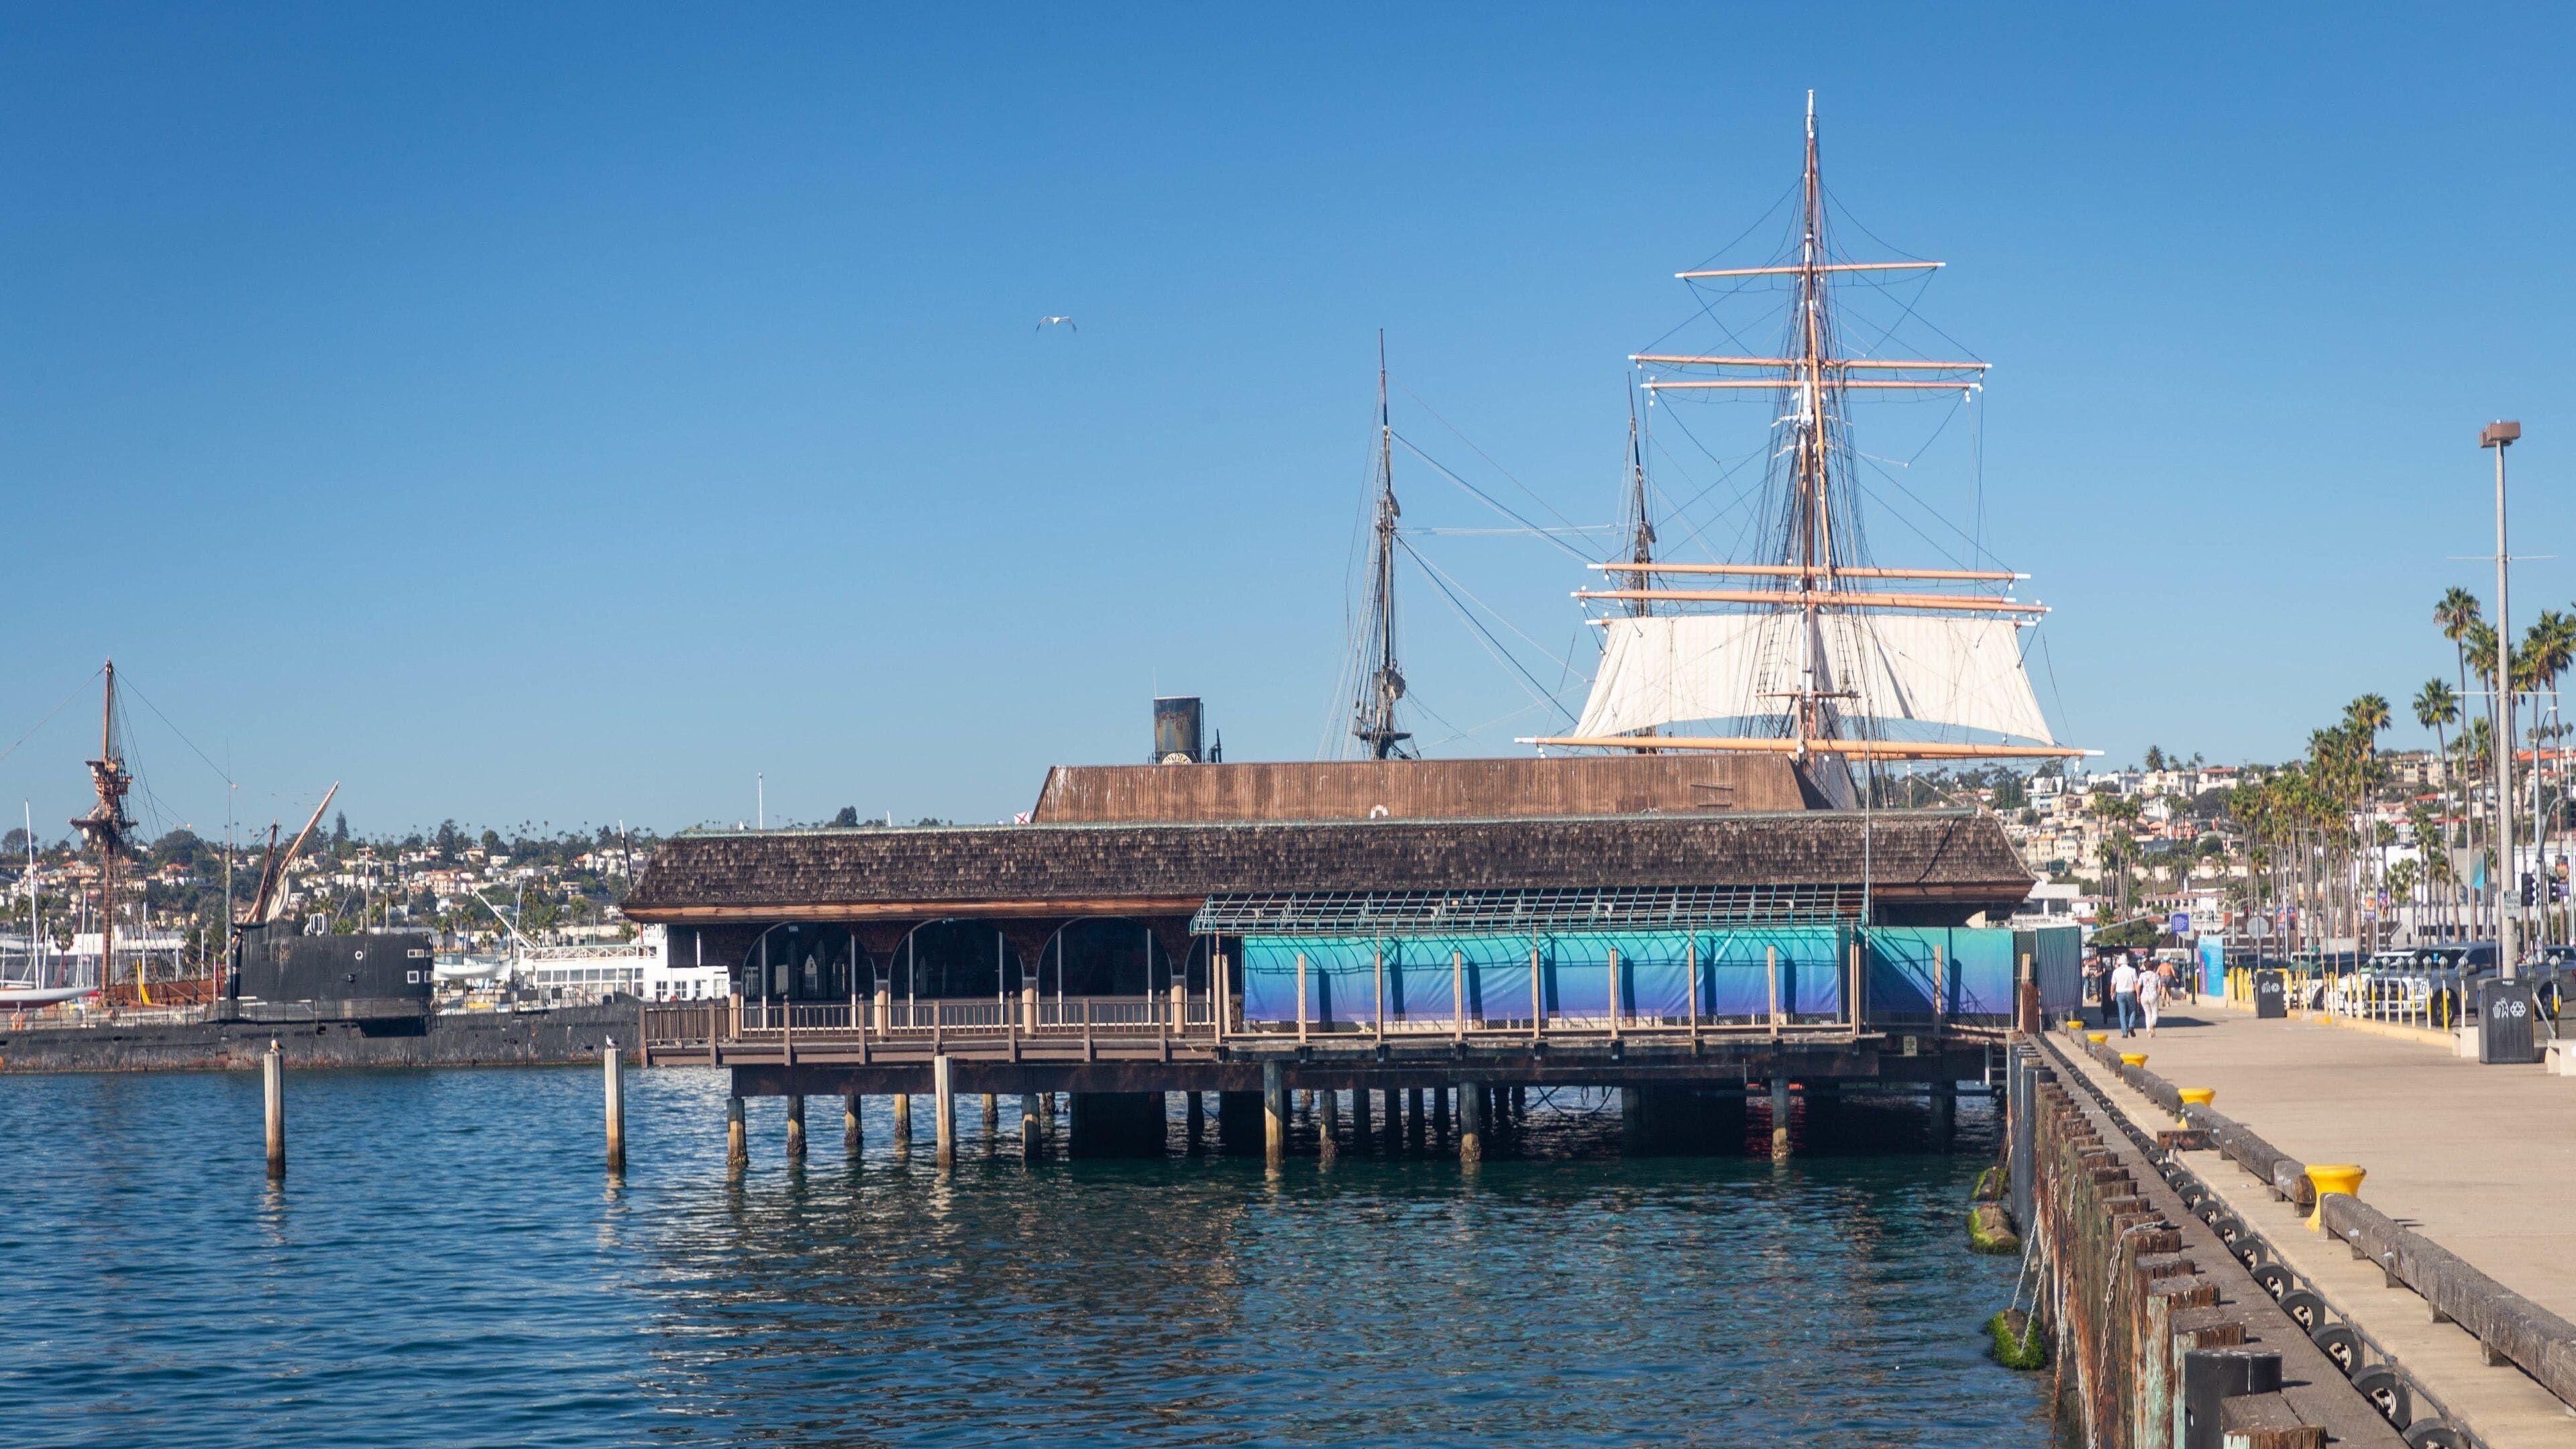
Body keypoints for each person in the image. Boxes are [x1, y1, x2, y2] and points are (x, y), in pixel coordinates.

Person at [2110, 954, 2142, 1038]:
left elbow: (2113, 984)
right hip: (2130, 992)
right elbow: (2136, 983)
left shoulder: (2116, 972)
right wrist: (2138, 995)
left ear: (2120, 963)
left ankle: (2124, 1032)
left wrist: (2111, 993)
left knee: (2122, 1013)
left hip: (2120, 994)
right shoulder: (2132, 970)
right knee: (2132, 1010)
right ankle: (2131, 1026)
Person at [2138, 961, 2165, 1038]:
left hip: (2144, 995)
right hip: (2153, 995)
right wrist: (2158, 993)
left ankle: (2149, 1031)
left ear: (2145, 967)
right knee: (2155, 1012)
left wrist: (2138, 996)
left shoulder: (2142, 975)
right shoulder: (2156, 975)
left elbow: (2138, 986)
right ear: (2153, 967)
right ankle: (2153, 1024)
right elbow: (2160, 986)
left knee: (2147, 1014)